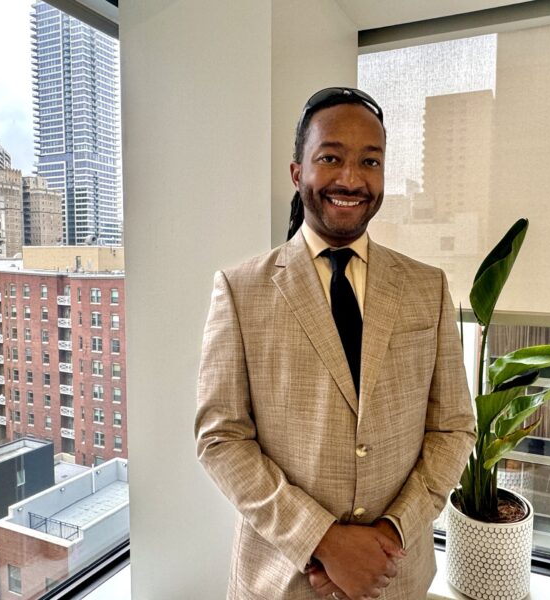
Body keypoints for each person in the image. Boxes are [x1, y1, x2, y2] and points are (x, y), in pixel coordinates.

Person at [195, 87, 476, 600]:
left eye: (370, 161)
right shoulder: (241, 289)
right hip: (282, 582)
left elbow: (453, 427)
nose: (351, 178)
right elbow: (221, 439)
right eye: (331, 158)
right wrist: (323, 542)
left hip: (397, 578)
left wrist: (389, 536)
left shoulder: (427, 287)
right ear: (298, 172)